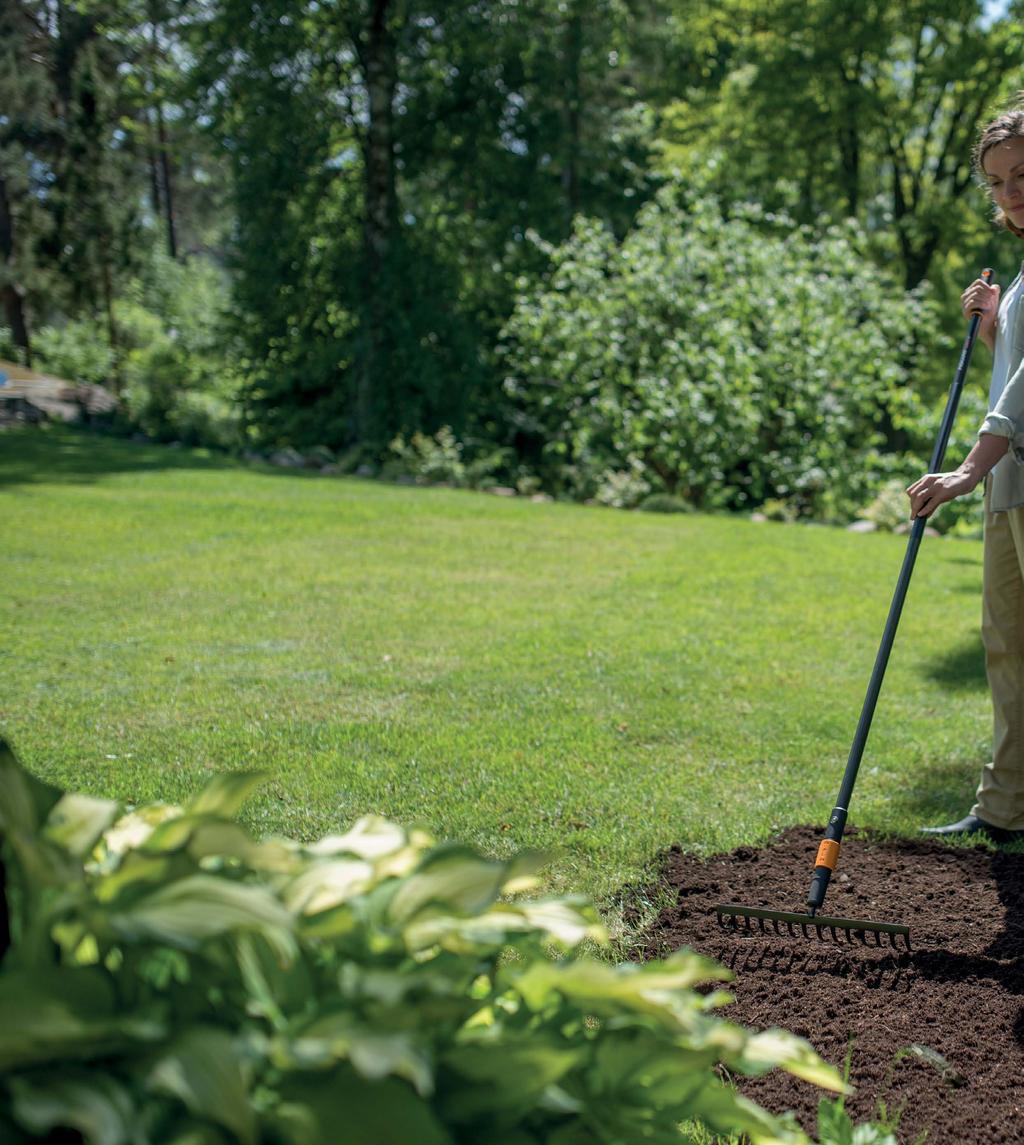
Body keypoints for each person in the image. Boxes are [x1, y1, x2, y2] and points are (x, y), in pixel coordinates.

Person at [910, 102, 1024, 843]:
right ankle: (1006, 807)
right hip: (1012, 486)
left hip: (1003, 474)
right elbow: (1011, 378)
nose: (1011, 192)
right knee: (1007, 646)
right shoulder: (1020, 278)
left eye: (1023, 174)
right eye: (999, 182)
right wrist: (994, 331)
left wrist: (964, 469)